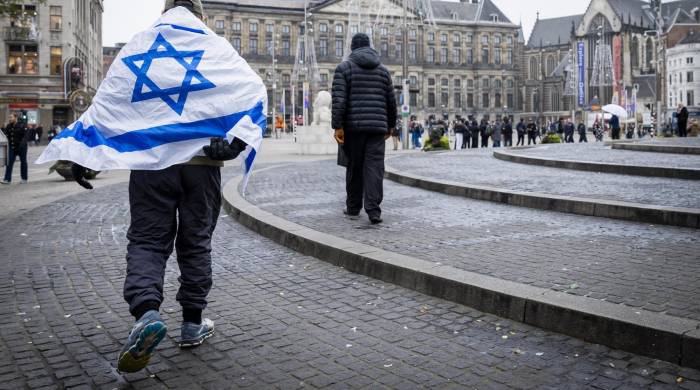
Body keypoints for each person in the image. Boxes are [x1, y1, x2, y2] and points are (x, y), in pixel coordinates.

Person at [106, 0, 253, 374]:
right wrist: (233, 143)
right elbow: (249, 92)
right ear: (200, 15)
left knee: (147, 240)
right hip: (202, 165)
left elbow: (112, 100)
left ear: (164, 13)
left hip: (153, 163)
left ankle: (146, 313)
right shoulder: (214, 46)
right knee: (196, 241)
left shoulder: (143, 45)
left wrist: (80, 154)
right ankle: (192, 322)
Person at [332, 32, 396, 225]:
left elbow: (339, 101)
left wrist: (338, 126)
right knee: (375, 168)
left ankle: (353, 208)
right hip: (377, 128)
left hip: (353, 128)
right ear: (370, 47)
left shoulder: (344, 68)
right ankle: (374, 211)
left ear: (352, 48)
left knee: (355, 167)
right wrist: (390, 126)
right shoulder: (383, 71)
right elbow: (391, 102)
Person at [2, 113, 29, 184]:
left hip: (21, 147)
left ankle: (24, 178)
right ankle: (7, 179)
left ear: (15, 117)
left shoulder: (22, 125)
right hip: (12, 147)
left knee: (23, 162)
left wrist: (22, 144)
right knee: (9, 162)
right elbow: (6, 136)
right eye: (9, 117)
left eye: (11, 117)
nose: (10, 119)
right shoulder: (9, 126)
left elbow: (26, 136)